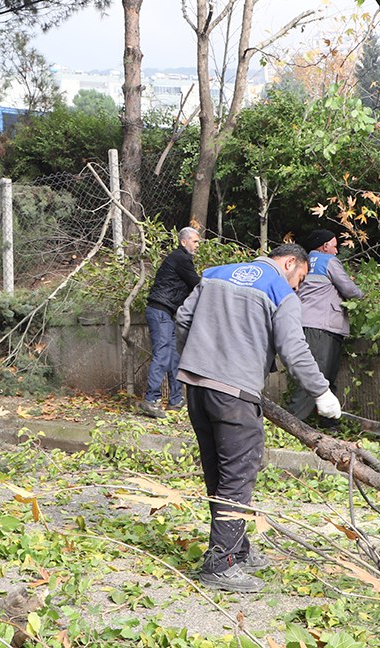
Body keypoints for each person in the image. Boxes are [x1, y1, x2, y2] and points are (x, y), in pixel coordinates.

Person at [174, 243, 342, 594]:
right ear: (290, 262)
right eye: (301, 278)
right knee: (237, 476)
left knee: (219, 472)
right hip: (234, 395)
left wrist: (199, 359)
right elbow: (294, 349)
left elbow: (183, 319)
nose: (298, 286)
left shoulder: (214, 274)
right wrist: (321, 393)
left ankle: (236, 549)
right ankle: (220, 565)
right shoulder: (280, 291)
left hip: (197, 388)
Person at [287, 229, 364, 422]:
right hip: (323, 326)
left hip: (304, 323)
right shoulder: (328, 261)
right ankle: (289, 424)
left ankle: (328, 423)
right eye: (335, 246)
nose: (337, 251)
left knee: (324, 376)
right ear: (325, 246)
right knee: (317, 375)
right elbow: (349, 289)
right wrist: (364, 295)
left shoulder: (302, 262)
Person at [138, 226, 201, 419]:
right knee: (163, 353)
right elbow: (197, 284)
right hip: (160, 311)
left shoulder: (180, 258)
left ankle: (175, 400)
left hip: (167, 312)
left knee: (174, 355)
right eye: (195, 241)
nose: (198, 245)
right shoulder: (181, 258)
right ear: (184, 242)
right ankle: (151, 400)